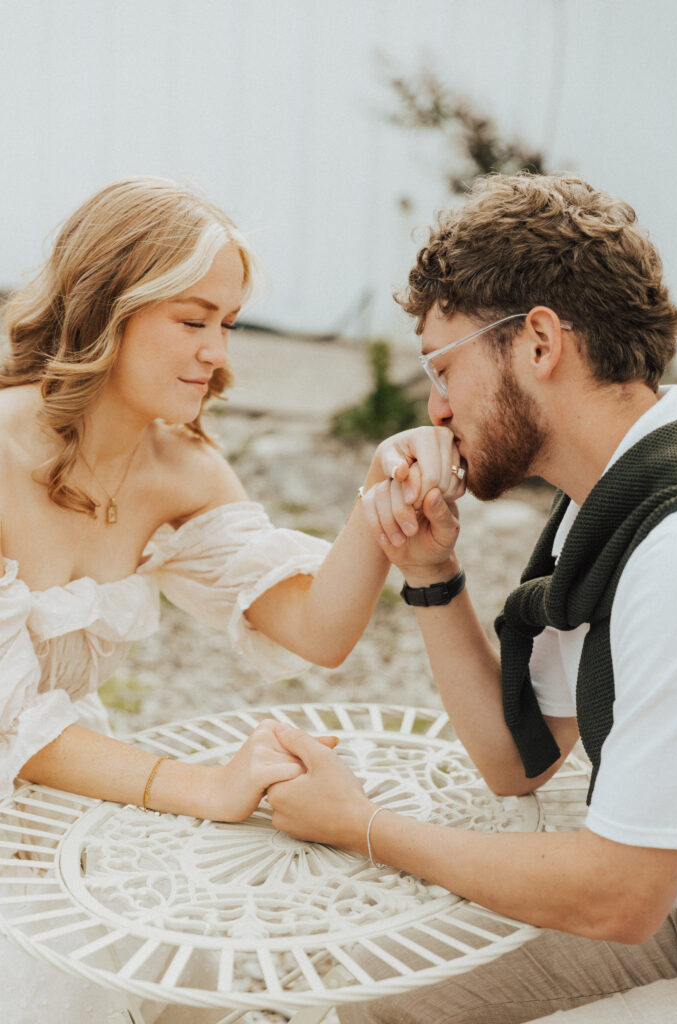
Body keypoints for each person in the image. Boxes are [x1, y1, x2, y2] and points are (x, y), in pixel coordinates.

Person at [0, 175, 462, 1023]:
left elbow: (314, 631)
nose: (218, 353)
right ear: (107, 306)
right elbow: (9, 726)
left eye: (228, 324)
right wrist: (207, 787)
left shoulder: (182, 469)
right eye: (192, 320)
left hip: (60, 790)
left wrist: (375, 497)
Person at [267, 173, 677, 1023]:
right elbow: (518, 760)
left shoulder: (669, 550)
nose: (434, 405)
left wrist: (363, 826)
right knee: (353, 995)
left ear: (537, 342)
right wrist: (427, 573)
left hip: (652, 897)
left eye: (443, 365)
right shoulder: (605, 504)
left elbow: (620, 895)